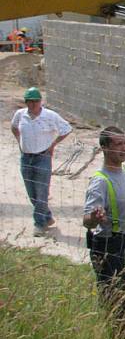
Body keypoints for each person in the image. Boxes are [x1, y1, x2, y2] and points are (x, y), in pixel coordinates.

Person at [83, 126, 125, 339]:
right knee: (115, 294)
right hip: (111, 243)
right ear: (104, 149)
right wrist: (93, 217)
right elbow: (88, 222)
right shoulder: (100, 181)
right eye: (118, 145)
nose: (123, 149)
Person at [10, 87, 72, 236]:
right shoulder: (20, 114)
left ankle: (39, 224)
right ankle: (47, 216)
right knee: (32, 192)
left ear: (40, 102)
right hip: (26, 157)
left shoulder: (50, 116)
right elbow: (13, 127)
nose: (32, 105)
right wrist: (19, 141)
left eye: (35, 102)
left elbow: (66, 128)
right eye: (29, 102)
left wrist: (53, 144)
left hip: (42, 157)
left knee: (42, 191)